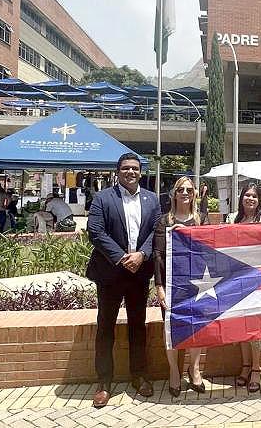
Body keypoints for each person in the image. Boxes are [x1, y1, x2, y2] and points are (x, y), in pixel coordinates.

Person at [86, 153, 161, 408]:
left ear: (140, 172)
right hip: (110, 273)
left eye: (135, 168)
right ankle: (104, 382)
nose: (131, 172)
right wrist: (121, 258)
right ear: (118, 172)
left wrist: (142, 255)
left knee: (137, 326)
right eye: (126, 168)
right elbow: (95, 232)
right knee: (105, 327)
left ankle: (138, 376)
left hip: (139, 273)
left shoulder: (152, 199)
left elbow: (156, 231)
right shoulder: (103, 198)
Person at [153, 176, 209, 397]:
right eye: (180, 189)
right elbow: (157, 255)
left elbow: (209, 248)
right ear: (174, 194)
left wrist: (189, 234)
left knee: (197, 328)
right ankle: (174, 372)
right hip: (171, 283)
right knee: (171, 328)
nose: (185, 193)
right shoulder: (163, 221)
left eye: (189, 189)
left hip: (198, 284)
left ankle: (194, 368)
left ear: (194, 193)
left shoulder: (201, 219)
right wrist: (159, 287)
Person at [227, 183, 261, 393]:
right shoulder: (231, 219)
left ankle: (256, 368)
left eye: (254, 196)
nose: (250, 199)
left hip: (258, 280)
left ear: (259, 200)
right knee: (241, 324)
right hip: (236, 280)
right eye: (247, 195)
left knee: (256, 326)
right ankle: (245, 366)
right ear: (241, 198)